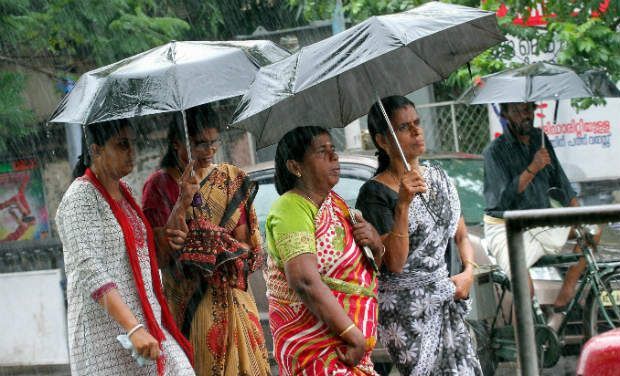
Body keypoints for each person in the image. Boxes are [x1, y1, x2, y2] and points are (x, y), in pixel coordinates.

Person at [56, 120, 194, 376]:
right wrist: (132, 328)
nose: (132, 151)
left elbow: (145, 254)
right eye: (122, 145)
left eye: (132, 144)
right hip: (105, 335)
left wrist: (183, 202)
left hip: (145, 323)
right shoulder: (79, 198)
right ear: (95, 150)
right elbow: (90, 270)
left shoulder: (126, 192)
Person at [356, 96, 482, 375]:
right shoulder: (374, 193)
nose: (416, 132)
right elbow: (395, 263)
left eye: (417, 123)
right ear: (382, 141)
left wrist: (469, 272)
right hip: (406, 311)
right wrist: (402, 202)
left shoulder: (438, 178)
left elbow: (461, 236)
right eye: (404, 127)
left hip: (445, 297)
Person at [142, 107, 270, 376]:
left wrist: (217, 246)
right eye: (201, 143)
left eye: (214, 142)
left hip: (236, 300)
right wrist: (182, 202)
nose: (210, 150)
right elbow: (160, 255)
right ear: (178, 143)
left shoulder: (227, 179)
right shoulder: (159, 187)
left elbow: (246, 246)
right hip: (191, 304)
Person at [265, 126, 383, 375]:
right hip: (318, 351)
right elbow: (304, 280)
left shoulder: (337, 206)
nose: (334, 157)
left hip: (350, 350)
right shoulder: (290, 207)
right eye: (321, 152)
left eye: (333, 149)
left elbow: (365, 276)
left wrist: (376, 244)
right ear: (295, 166)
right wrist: (352, 335)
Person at [483, 101, 599, 312]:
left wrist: (580, 215)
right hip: (507, 229)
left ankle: (567, 292)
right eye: (517, 110)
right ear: (506, 114)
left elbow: (562, 184)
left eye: (528, 109)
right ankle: (527, 343)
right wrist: (533, 168)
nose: (525, 115)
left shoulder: (541, 140)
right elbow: (502, 200)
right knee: (525, 291)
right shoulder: (494, 151)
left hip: (541, 222)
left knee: (594, 229)